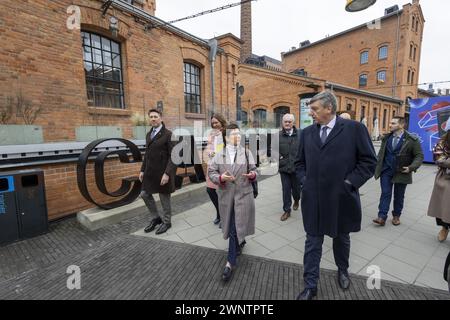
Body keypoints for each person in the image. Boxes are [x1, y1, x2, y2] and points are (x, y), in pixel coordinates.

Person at [295, 91, 377, 300]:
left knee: (341, 238)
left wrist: (350, 183)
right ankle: (310, 286)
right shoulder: (306, 133)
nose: (311, 113)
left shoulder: (354, 129)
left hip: (341, 199)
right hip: (313, 200)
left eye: (314, 109)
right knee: (312, 243)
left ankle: (342, 270)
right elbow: (299, 163)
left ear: (329, 108)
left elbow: (368, 162)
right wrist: (305, 182)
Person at [208, 123, 257, 282]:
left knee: (236, 226)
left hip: (244, 194)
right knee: (233, 226)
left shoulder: (247, 152)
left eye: (239, 133)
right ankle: (238, 243)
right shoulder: (219, 154)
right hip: (227, 196)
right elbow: (211, 173)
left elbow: (255, 170)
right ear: (227, 137)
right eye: (234, 134)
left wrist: (252, 175)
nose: (238, 136)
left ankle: (230, 263)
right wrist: (221, 178)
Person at [373, 117, 424, 226]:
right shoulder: (386, 138)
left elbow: (419, 156)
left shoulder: (412, 140)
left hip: (402, 171)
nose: (390, 125)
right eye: (390, 122)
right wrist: (377, 165)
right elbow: (382, 153)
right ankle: (382, 217)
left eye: (393, 123)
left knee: (399, 195)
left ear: (401, 125)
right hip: (386, 170)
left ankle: (396, 216)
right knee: (385, 193)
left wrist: (411, 167)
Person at [140, 109, 177, 235]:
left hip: (163, 172)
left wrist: (167, 173)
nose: (153, 119)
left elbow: (174, 156)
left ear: (161, 118)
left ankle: (167, 222)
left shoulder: (168, 134)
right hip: (150, 172)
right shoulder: (148, 134)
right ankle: (156, 218)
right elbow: (147, 154)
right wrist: (142, 170)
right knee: (144, 194)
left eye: (155, 116)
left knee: (164, 197)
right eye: (151, 117)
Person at [204, 114, 227, 226]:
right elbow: (208, 148)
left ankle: (225, 217)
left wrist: (214, 153)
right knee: (210, 190)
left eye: (216, 122)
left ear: (221, 122)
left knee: (223, 193)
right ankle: (219, 213)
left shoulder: (226, 133)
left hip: (222, 166)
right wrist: (209, 152)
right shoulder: (211, 134)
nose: (214, 124)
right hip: (211, 165)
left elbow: (222, 148)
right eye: (213, 123)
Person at [427, 130, 450, 242]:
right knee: (444, 205)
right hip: (445, 178)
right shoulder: (441, 143)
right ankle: (444, 227)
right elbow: (440, 160)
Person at [278, 114, 302, 221]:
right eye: (285, 121)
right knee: (286, 190)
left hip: (297, 168)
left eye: (289, 122)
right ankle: (287, 210)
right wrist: (278, 157)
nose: (287, 123)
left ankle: (296, 200)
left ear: (293, 123)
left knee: (296, 190)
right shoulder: (277, 135)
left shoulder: (301, 134)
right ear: (282, 123)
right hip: (284, 168)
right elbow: (271, 150)